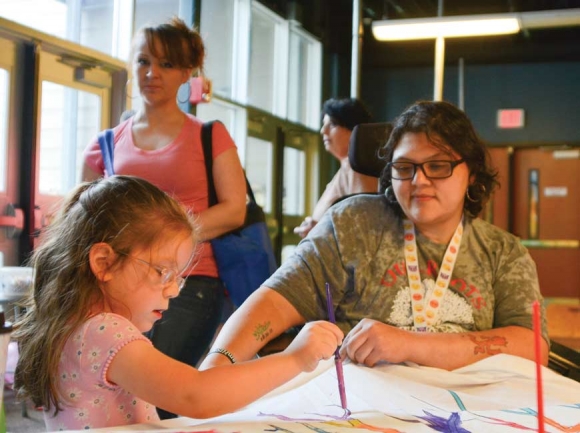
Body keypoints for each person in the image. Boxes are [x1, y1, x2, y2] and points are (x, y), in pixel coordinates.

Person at [201, 100, 550, 373]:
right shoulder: (353, 225)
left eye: (438, 165)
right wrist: (218, 364)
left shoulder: (503, 252)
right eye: (404, 167)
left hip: (468, 408)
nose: (419, 181)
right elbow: (275, 302)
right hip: (358, 407)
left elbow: (531, 347)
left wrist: (409, 344)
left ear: (471, 174)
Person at [13, 175, 343, 430]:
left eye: (178, 276)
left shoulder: (76, 325)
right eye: (163, 272)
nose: (173, 290)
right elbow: (194, 395)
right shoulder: (104, 330)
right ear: (103, 263)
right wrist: (296, 358)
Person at [81, 17, 246, 419]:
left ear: (187, 74)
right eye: (143, 61)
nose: (152, 73)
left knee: (165, 398)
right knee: (118, 399)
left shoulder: (210, 135)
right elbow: (83, 218)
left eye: (167, 64)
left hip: (188, 282)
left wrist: (161, 244)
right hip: (118, 283)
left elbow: (234, 209)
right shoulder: (105, 143)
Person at [294, 98, 378, 238]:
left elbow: (364, 224)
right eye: (323, 125)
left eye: (332, 124)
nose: (323, 131)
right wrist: (315, 227)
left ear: (354, 129)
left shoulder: (357, 168)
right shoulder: (346, 168)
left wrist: (318, 231)